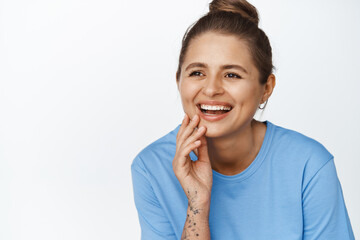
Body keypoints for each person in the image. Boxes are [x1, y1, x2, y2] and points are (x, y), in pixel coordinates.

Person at [131, 0, 355, 239]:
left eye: (231, 74)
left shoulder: (308, 165)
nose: (211, 89)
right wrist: (197, 204)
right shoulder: (151, 167)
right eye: (197, 72)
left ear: (266, 88)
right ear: (179, 80)